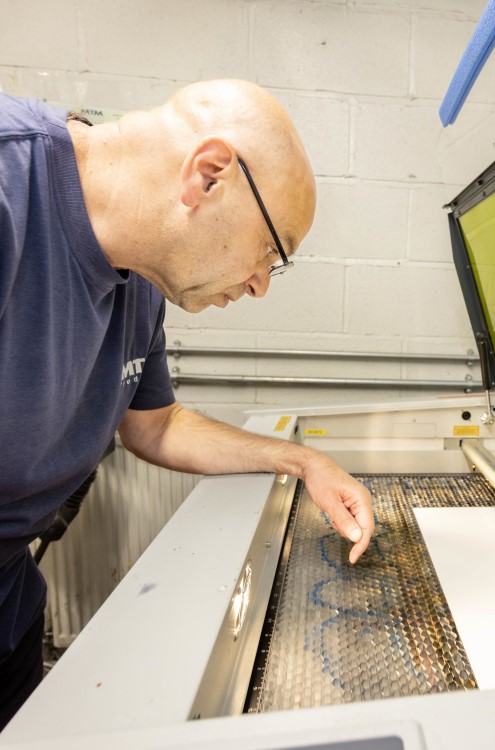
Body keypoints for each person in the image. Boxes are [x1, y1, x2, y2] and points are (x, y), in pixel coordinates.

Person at [0, 79, 374, 730]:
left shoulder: (140, 282)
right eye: (271, 252)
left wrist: (301, 461)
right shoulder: (11, 185)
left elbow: (157, 424)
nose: (259, 285)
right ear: (209, 175)